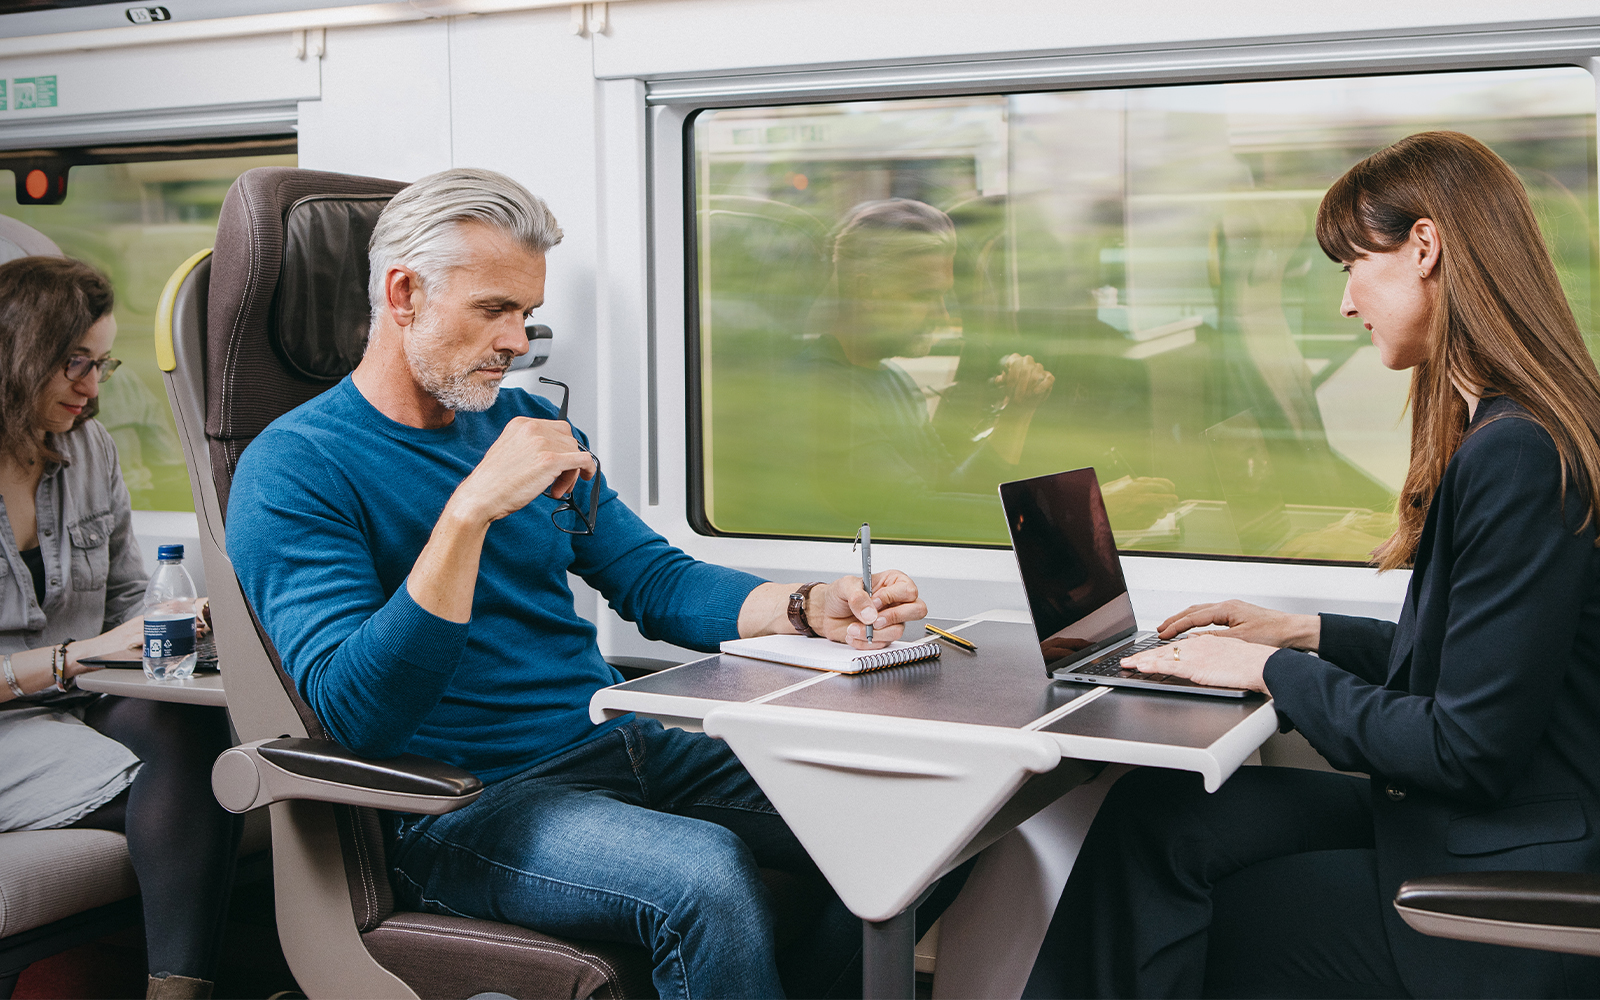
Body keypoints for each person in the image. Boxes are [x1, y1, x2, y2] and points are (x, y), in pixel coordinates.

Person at [225, 168, 938, 999]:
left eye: (526, 314)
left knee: (900, 824)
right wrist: (467, 517)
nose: (517, 342)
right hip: (465, 802)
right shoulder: (295, 465)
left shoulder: (528, 429)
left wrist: (806, 606)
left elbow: (652, 579)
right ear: (404, 292)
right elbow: (356, 715)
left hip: (618, 744)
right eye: (494, 309)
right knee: (704, 873)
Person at [1022, 130, 1600, 999]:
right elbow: (1481, 664)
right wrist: (1307, 631)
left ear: (1426, 246)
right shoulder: (1508, 431)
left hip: (1502, 877)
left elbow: (1463, 747)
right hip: (1479, 823)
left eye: (1349, 267)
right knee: (1160, 822)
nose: (1345, 304)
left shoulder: (1516, 453)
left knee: (1222, 918)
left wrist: (1269, 671)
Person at [0, 256, 241, 1000]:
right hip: (13, 722)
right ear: (17, 354)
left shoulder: (88, 451)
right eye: (75, 363)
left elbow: (129, 600)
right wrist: (80, 656)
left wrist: (185, 623)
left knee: (199, 732)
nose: (93, 388)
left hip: (76, 696)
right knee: (206, 783)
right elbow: (91, 646)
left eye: (103, 363)